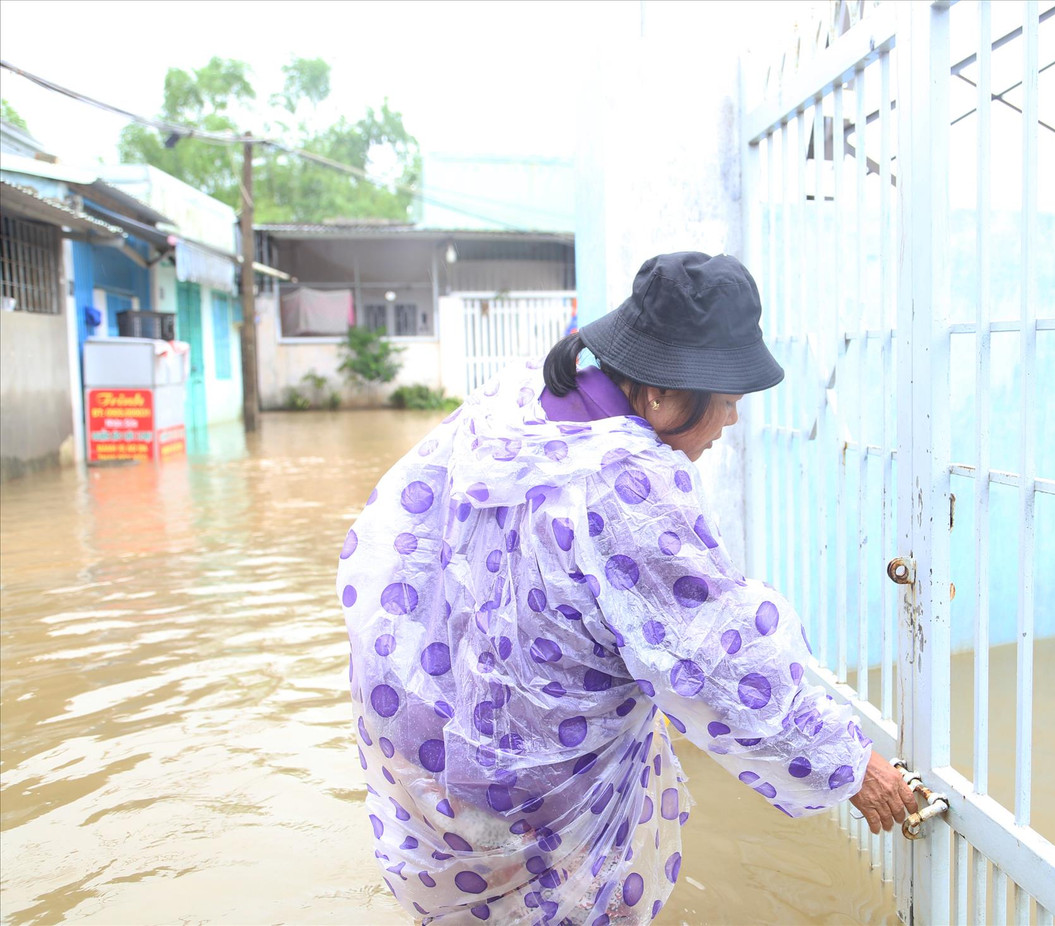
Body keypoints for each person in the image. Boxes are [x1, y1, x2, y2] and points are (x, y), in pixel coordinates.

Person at [338, 252, 917, 925]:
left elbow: (403, 542)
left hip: (443, 730)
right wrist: (851, 764)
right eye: (725, 399)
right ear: (659, 393)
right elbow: (717, 661)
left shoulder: (519, 398)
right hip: (542, 779)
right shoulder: (625, 489)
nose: (730, 421)